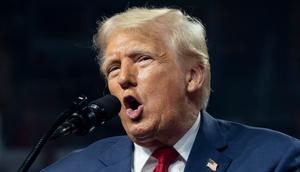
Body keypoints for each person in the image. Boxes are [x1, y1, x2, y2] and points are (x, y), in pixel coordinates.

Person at [42, 7, 300, 172]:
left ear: (193, 76)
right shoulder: (71, 169)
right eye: (113, 68)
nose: (124, 78)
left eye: (143, 59)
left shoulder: (276, 160)